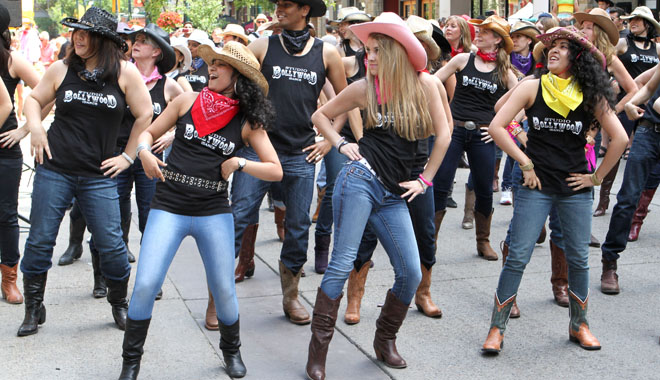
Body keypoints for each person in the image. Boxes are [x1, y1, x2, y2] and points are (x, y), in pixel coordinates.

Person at [118, 41, 281, 380]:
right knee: (146, 283)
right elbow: (147, 133)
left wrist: (239, 162)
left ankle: (231, 351)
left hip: (213, 209)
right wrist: (144, 152)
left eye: (221, 65)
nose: (213, 68)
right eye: (212, 62)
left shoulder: (247, 121)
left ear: (239, 76)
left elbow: (275, 169)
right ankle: (130, 363)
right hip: (169, 203)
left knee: (223, 287)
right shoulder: (187, 99)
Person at [304, 13, 450, 379]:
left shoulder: (425, 84)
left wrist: (425, 181)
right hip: (361, 179)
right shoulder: (364, 88)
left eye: (376, 51)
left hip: (395, 193)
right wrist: (340, 144)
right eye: (367, 51)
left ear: (397, 52)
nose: (368, 58)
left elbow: (444, 135)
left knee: (411, 273)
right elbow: (320, 116)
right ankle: (317, 354)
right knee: (341, 264)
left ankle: (384, 340)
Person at [482, 26, 627, 354]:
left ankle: (580, 325)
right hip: (536, 186)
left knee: (578, 258)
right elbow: (497, 126)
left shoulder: (591, 96)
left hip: (575, 190)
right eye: (551, 46)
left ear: (577, 58)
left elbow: (619, 139)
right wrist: (524, 163)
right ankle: (496, 328)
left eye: (563, 47)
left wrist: (596, 178)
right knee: (518, 255)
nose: (553, 51)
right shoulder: (532, 86)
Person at [18, 7, 152, 336]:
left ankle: (119, 304)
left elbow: (146, 113)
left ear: (103, 40)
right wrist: (35, 129)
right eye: (76, 31)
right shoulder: (61, 69)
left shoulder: (123, 72)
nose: (77, 37)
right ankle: (34, 308)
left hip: (100, 176)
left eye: (85, 32)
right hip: (55, 169)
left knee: (112, 245)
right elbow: (34, 100)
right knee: (39, 242)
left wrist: (128, 156)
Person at [230, 0, 347, 325]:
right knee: (237, 218)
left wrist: (330, 139)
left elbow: (346, 100)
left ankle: (291, 296)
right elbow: (231, 88)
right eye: (278, 4)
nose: (279, 9)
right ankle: (218, 297)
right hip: (257, 150)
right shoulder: (262, 45)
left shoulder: (326, 53)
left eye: (287, 4)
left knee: (297, 227)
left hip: (301, 154)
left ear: (305, 10)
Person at [434, 15, 518, 261]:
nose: (478, 34)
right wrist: (443, 116)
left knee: (484, 188)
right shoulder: (462, 59)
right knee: (440, 185)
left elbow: (522, 103)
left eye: (486, 32)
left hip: (483, 134)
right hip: (455, 130)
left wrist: (498, 127)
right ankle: (431, 242)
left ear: (498, 40)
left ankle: (483, 242)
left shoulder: (505, 72)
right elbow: (432, 83)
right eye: (478, 31)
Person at [574, 7, 638, 217]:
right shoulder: (573, 53)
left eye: (589, 28)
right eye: (582, 27)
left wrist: (610, 112)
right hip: (565, 119)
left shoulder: (609, 58)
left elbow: (633, 90)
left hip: (590, 125)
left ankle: (582, 223)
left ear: (599, 32)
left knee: (583, 171)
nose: (584, 31)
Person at [0, 4, 44, 305]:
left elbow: (46, 92)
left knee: (5, 214)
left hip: (5, 147)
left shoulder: (12, 59)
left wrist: (26, 129)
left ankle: (10, 279)